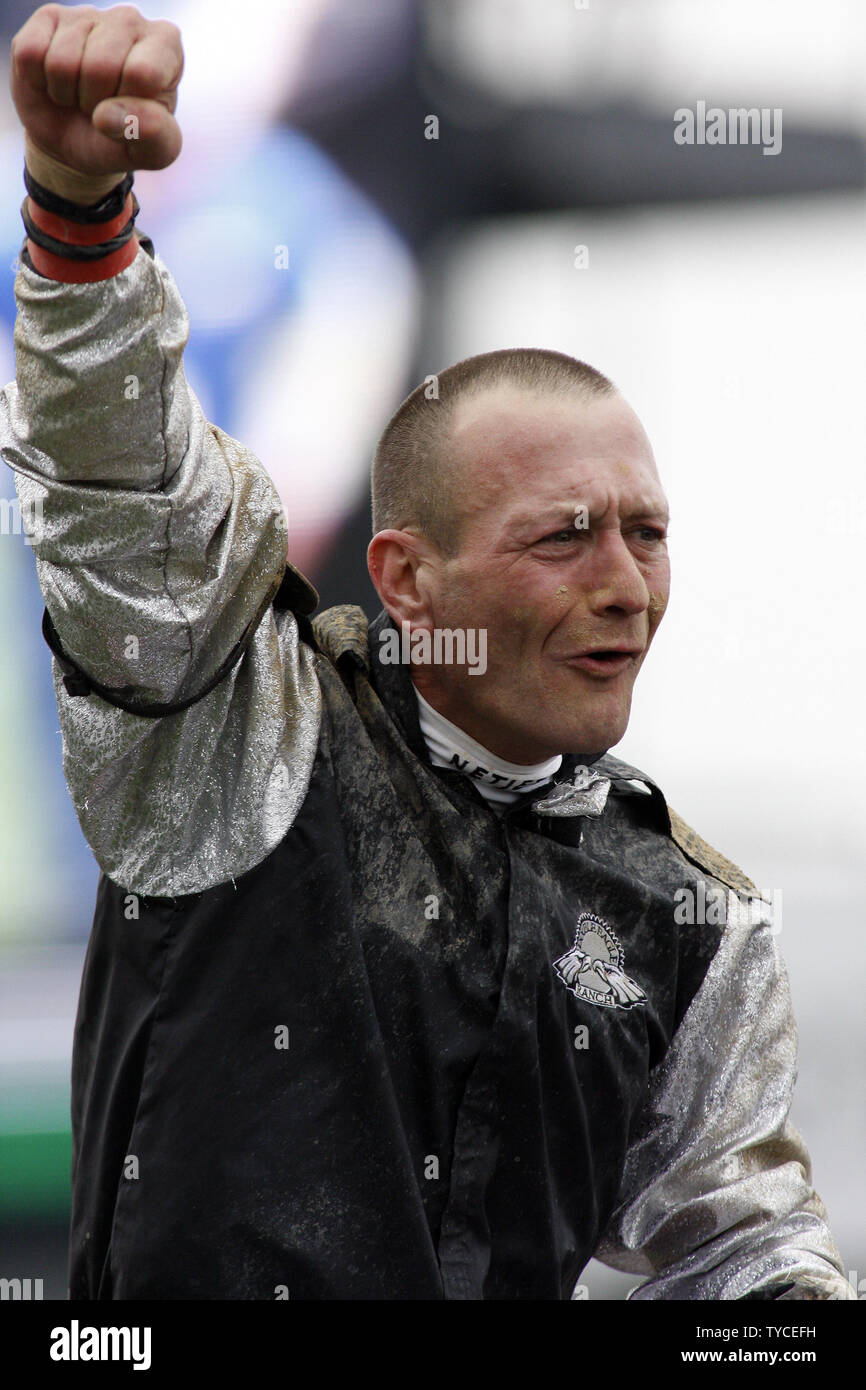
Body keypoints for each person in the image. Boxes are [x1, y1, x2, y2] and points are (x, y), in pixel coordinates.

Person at [1, 3, 854, 1301]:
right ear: (408, 572)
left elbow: (740, 1241)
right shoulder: (233, 767)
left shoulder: (682, 909)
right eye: (562, 538)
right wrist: (77, 211)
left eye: (647, 535)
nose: (625, 588)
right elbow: (126, 497)